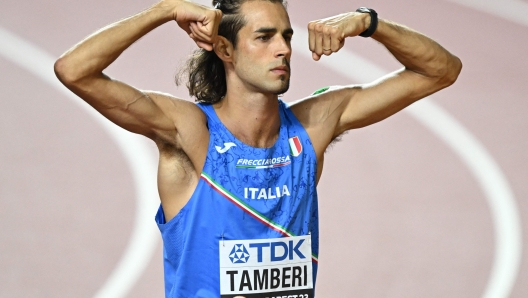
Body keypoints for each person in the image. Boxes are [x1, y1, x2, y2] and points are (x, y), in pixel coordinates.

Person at [54, 0, 462, 297]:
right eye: (264, 37)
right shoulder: (190, 133)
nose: (284, 48)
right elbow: (74, 71)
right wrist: (163, 11)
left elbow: (442, 70)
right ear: (226, 50)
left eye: (285, 36)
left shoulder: (311, 127)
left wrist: (369, 22)